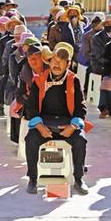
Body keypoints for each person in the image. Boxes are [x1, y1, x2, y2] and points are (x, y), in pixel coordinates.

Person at [24, 42, 90, 196]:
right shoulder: (40, 80)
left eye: (61, 62)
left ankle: (79, 179)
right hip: (44, 126)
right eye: (54, 60)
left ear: (68, 64)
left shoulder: (74, 81)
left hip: (67, 126)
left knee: (80, 140)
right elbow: (31, 107)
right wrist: (39, 126)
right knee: (31, 139)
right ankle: (32, 179)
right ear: (49, 61)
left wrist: (73, 127)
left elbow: (81, 108)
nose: (56, 65)